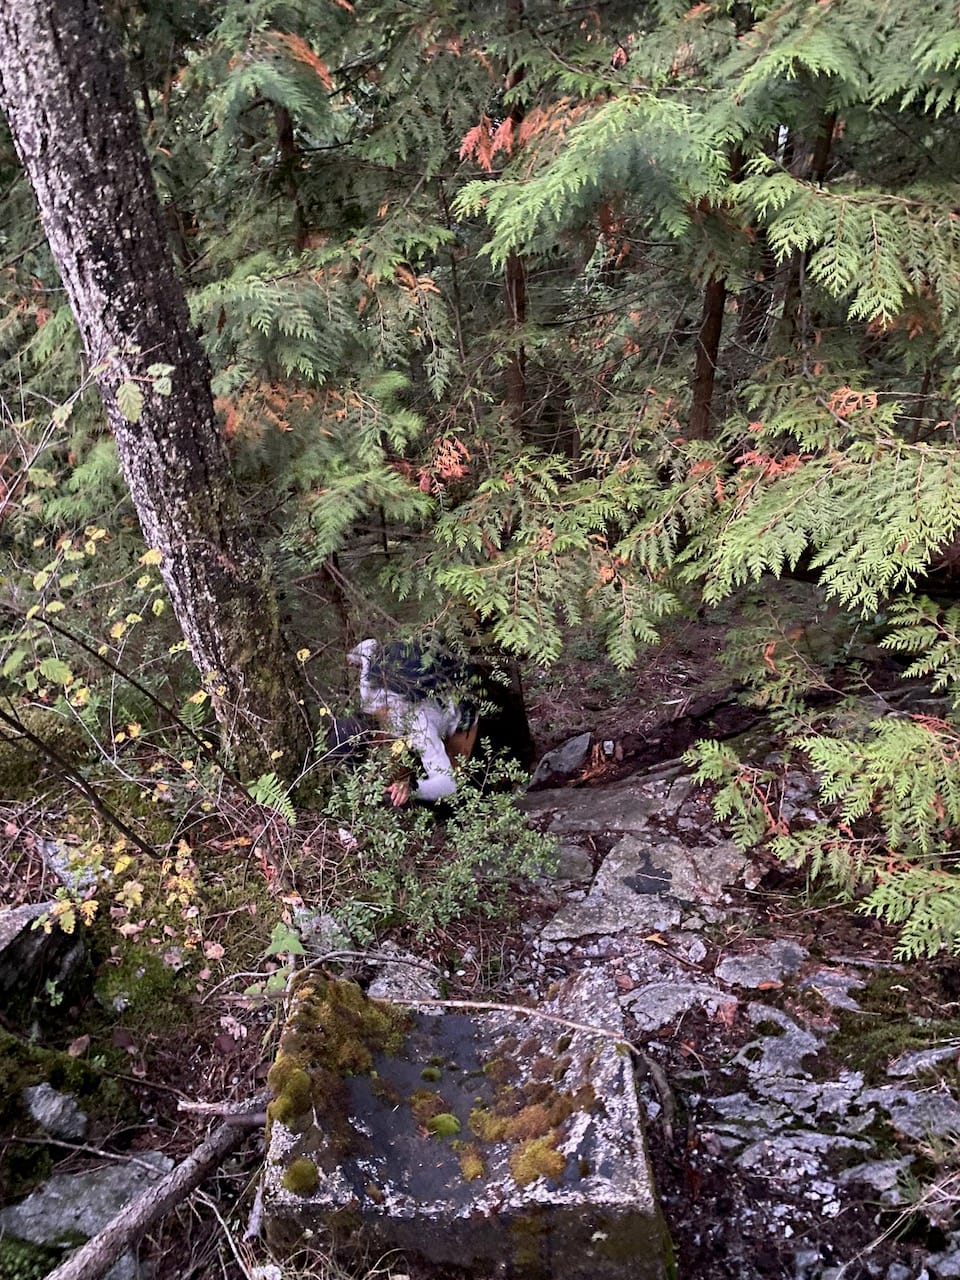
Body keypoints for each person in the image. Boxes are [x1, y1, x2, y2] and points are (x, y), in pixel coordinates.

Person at [345, 637, 479, 806]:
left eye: (373, 748)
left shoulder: (420, 725)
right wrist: (351, 658)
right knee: (392, 766)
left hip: (459, 705)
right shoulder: (367, 689)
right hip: (423, 690)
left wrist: (412, 788)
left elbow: (449, 784)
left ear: (373, 739)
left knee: (457, 768)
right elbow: (369, 646)